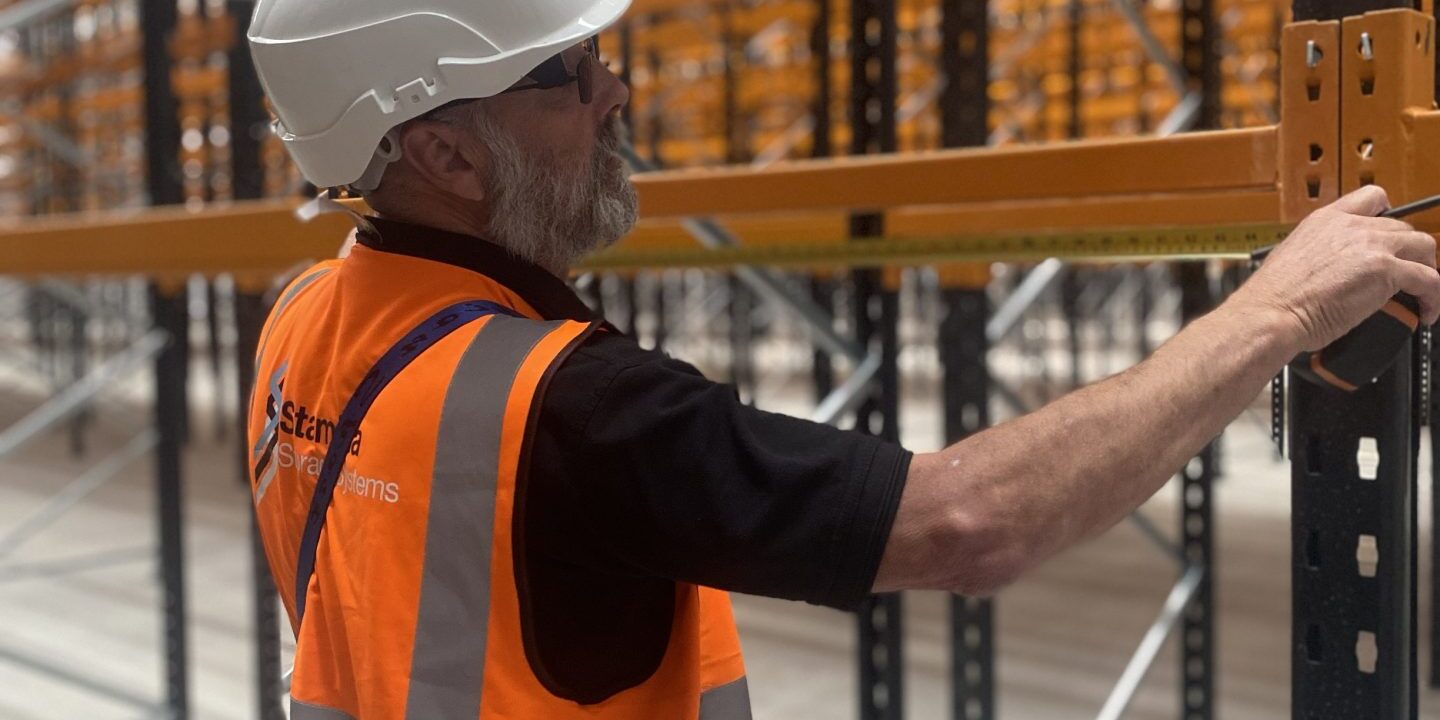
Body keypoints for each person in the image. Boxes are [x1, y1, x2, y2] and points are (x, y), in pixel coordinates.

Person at [243, 1, 1440, 718]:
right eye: (567, 72)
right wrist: (1273, 313)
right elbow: (969, 521)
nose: (615, 89)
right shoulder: (567, 411)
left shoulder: (302, 320)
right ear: (446, 155)